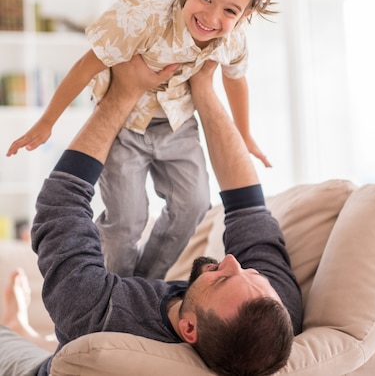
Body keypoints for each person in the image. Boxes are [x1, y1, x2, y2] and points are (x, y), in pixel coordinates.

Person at [0, 55, 303, 376]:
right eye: (254, 274)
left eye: (223, 280)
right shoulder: (272, 322)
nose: (232, 261)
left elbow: (59, 203)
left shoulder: (100, 316)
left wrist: (122, 94)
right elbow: (247, 206)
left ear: (189, 330)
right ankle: (29, 331)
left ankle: (14, 328)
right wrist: (203, 89)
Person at [7, 0, 275, 280]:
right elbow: (87, 65)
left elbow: (236, 80)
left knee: (193, 206)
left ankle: (143, 283)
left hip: (177, 125)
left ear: (245, 15)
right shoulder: (145, 19)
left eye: (229, 11)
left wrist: (245, 133)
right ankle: (111, 286)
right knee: (127, 219)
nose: (211, 16)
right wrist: (47, 122)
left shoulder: (233, 39)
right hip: (126, 124)